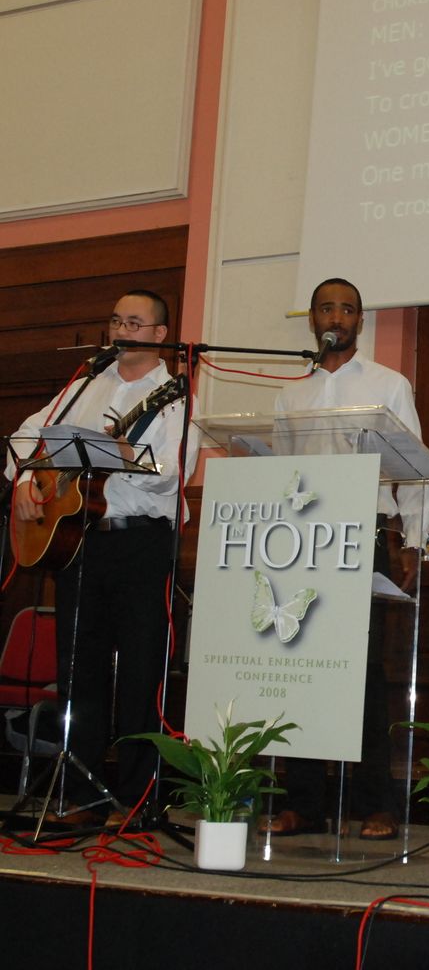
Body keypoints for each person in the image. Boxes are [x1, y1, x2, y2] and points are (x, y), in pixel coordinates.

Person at [7, 290, 199, 826]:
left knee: (142, 671)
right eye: (116, 320)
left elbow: (172, 473)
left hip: (141, 543)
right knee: (79, 669)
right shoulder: (86, 384)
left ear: (160, 335)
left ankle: (138, 800)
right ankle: (82, 797)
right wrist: (25, 481)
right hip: (80, 543)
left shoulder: (173, 397)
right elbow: (25, 434)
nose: (121, 330)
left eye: (134, 322)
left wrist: (120, 457)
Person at [261, 277, 429, 839]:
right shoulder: (291, 395)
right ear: (312, 319)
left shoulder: (389, 384)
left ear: (360, 321)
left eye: (348, 309)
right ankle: (305, 802)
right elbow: (281, 472)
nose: (336, 317)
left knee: (363, 672)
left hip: (364, 533)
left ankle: (375, 802)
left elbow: (415, 468)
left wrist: (414, 540)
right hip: (304, 540)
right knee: (301, 668)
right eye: (326, 308)